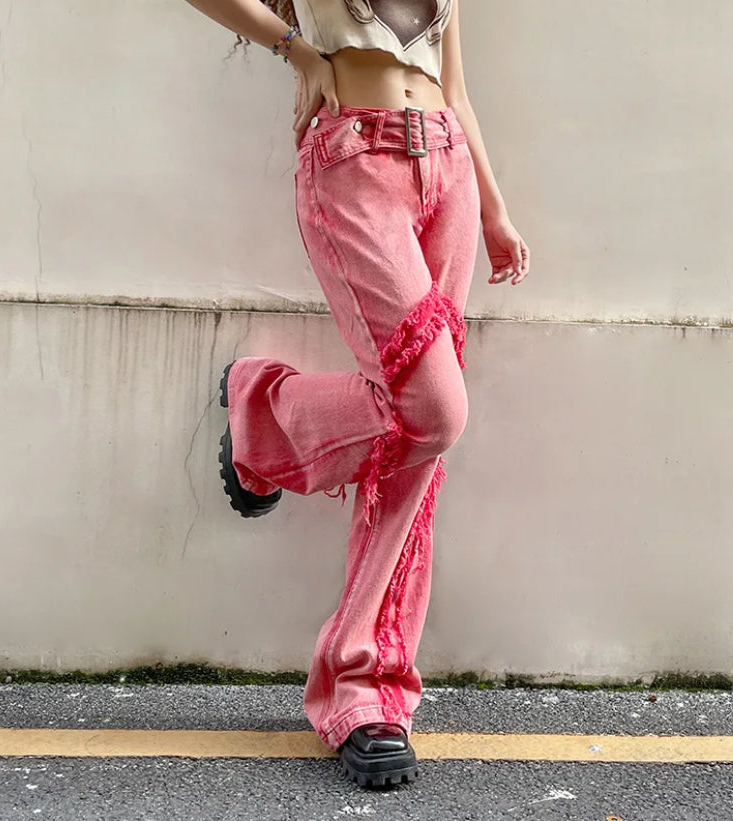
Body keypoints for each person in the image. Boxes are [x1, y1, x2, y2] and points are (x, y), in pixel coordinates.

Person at [181, 0, 531, 788]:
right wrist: (298, 51)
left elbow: (455, 88)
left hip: (447, 170)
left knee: (416, 443)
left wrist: (496, 208)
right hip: (354, 160)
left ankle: (370, 693)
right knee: (432, 410)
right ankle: (264, 409)